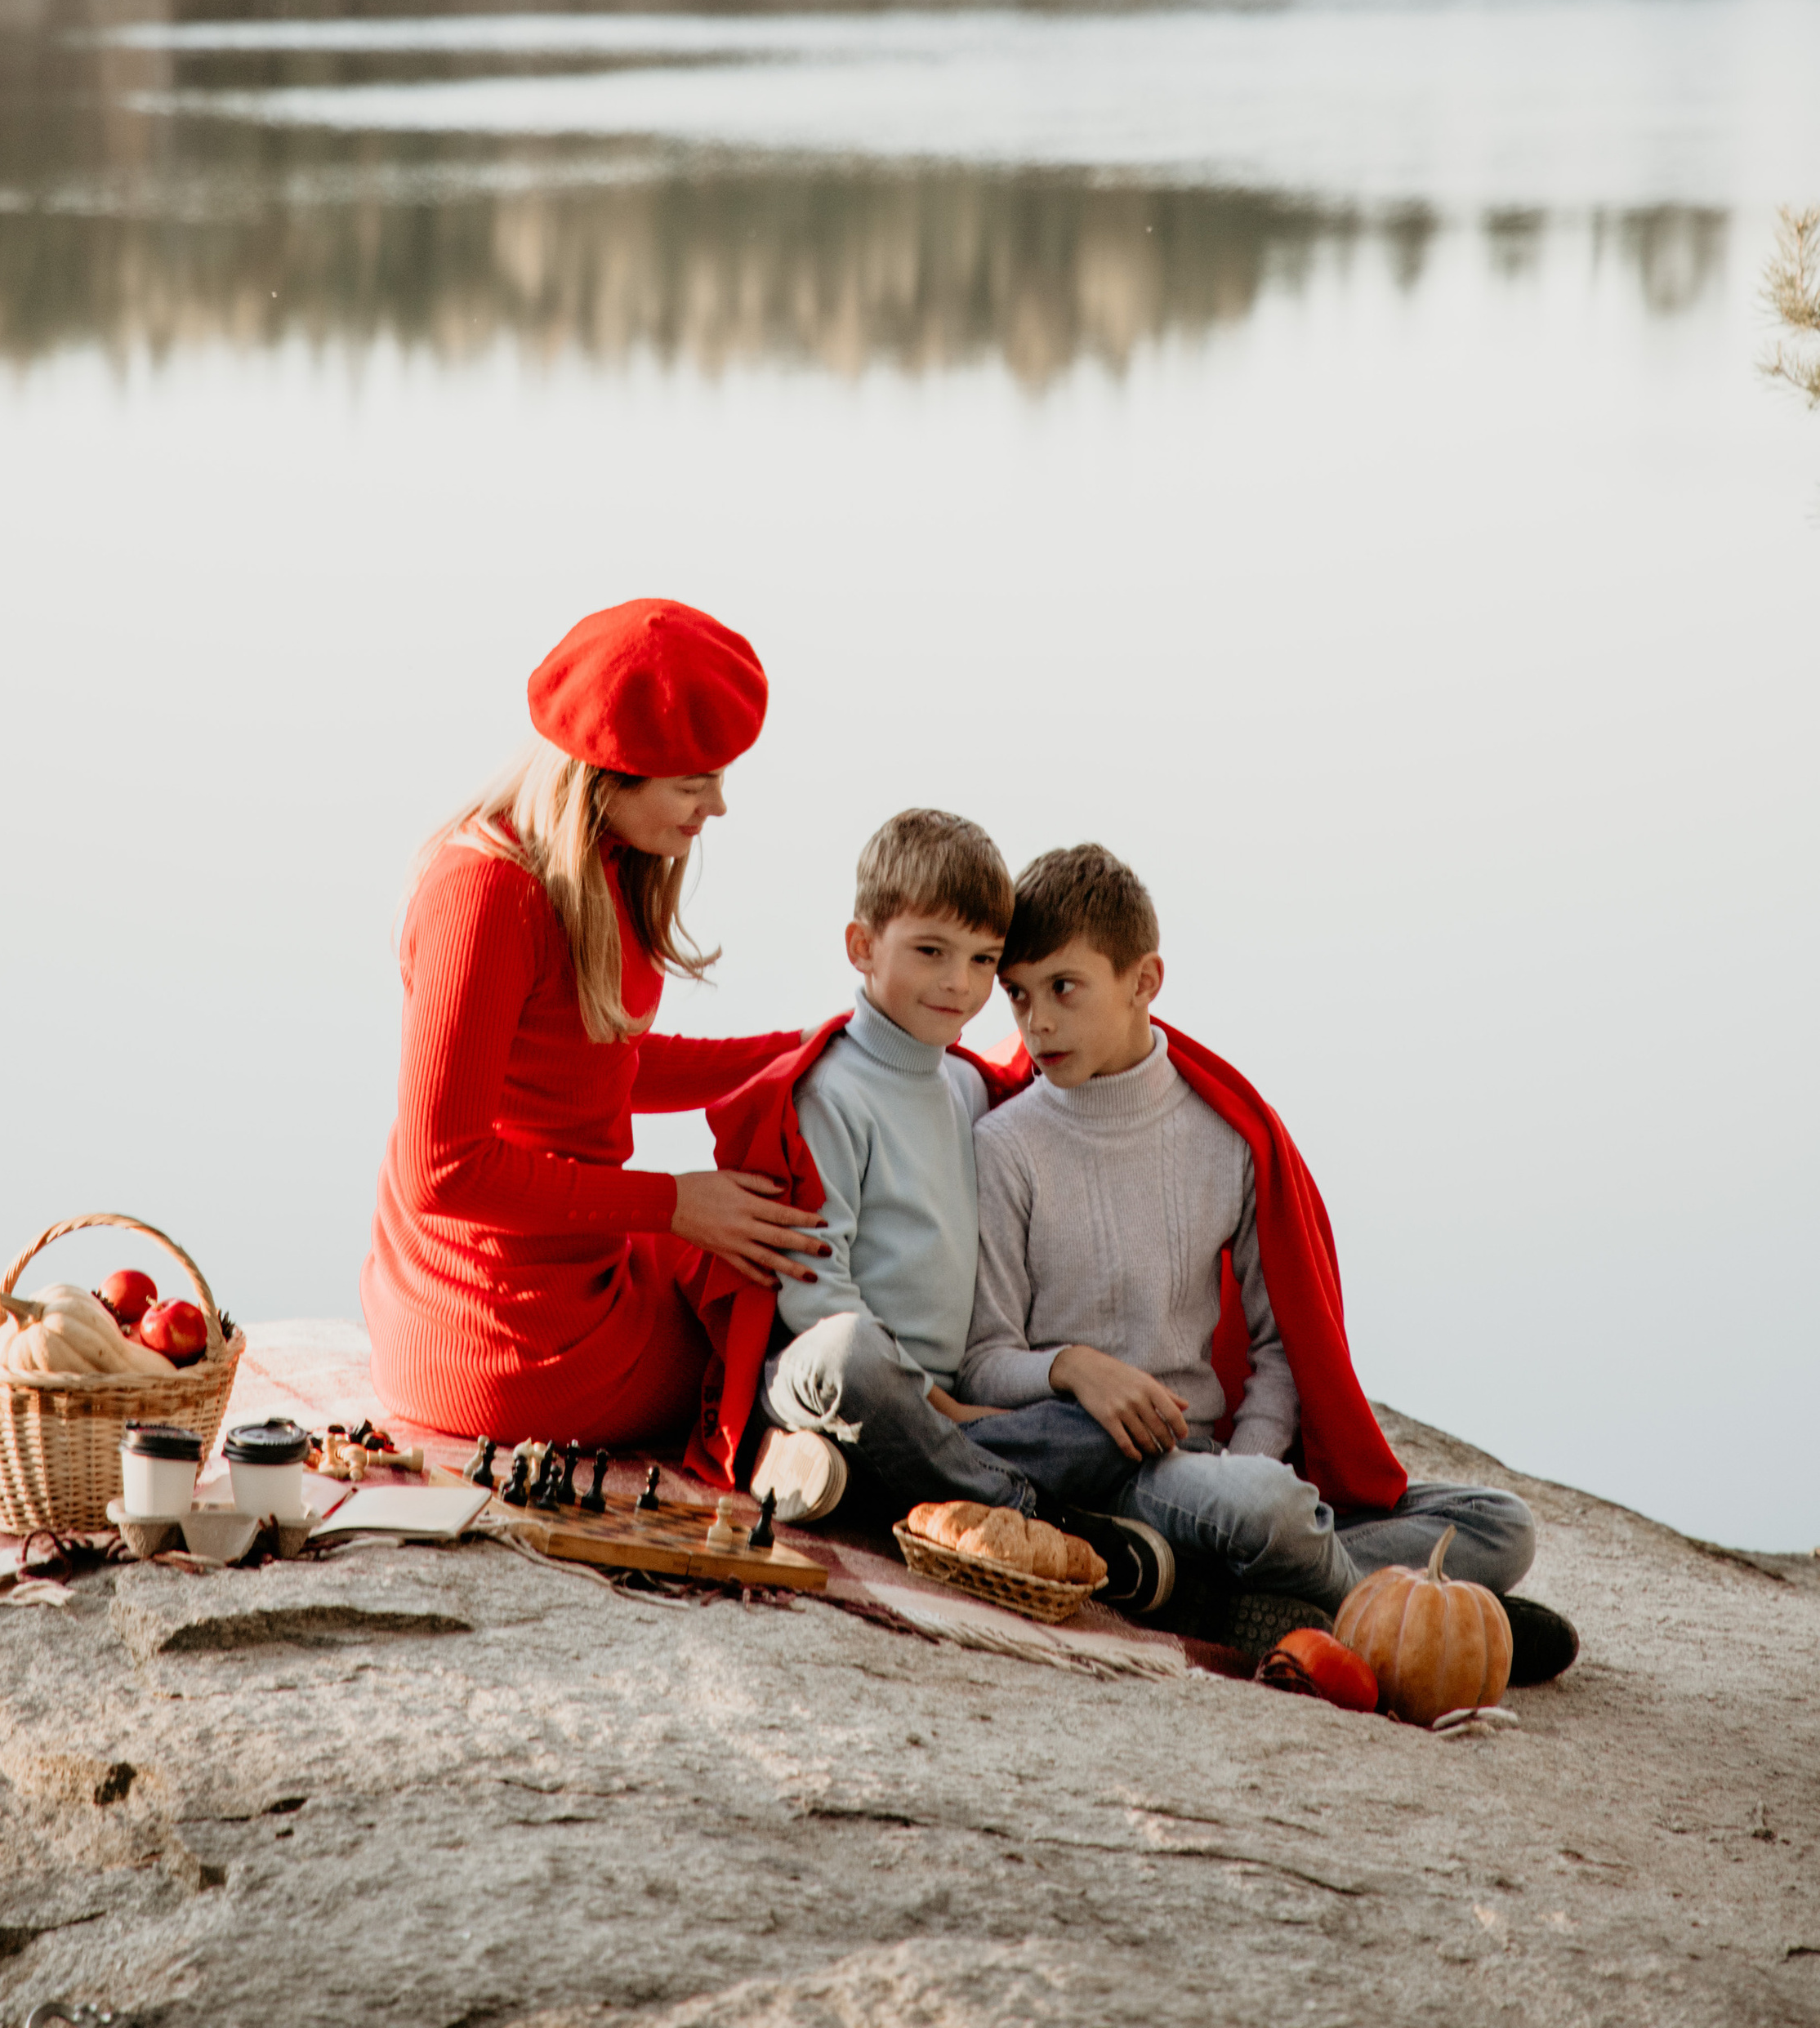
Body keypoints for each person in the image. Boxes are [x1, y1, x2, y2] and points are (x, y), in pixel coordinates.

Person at [961, 844, 1573, 1669]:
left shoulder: (1223, 1138)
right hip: (1113, 1467)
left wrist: (1249, 1463)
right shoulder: (1006, 1147)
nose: (1035, 1022)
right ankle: (1399, 1620)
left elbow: (1279, 1345)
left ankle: (1260, 1592)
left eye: (1063, 988)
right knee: (1269, 1512)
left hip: (1220, 1465)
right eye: (1019, 994)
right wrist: (1072, 1368)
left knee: (1501, 1524)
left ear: (1144, 981)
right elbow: (983, 1364)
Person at [360, 597, 824, 1454]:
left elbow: (592, 1068)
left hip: (559, 1274)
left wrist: (804, 1054)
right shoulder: (485, 895)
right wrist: (674, 1205)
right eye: (694, 784)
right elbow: (444, 1172)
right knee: (774, 1311)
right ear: (607, 777)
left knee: (767, 1248)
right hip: (503, 1337)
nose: (718, 806)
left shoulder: (601, 864)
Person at [715, 809, 1041, 1526]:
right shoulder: (833, 1091)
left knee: (1087, 1422)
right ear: (862, 947)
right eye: (931, 951)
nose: (959, 982)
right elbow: (814, 1292)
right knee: (851, 1353)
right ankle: (1018, 1502)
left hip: (940, 1398)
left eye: (984, 960)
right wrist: (936, 1403)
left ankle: (856, 1473)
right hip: (831, 1374)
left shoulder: (967, 1088)